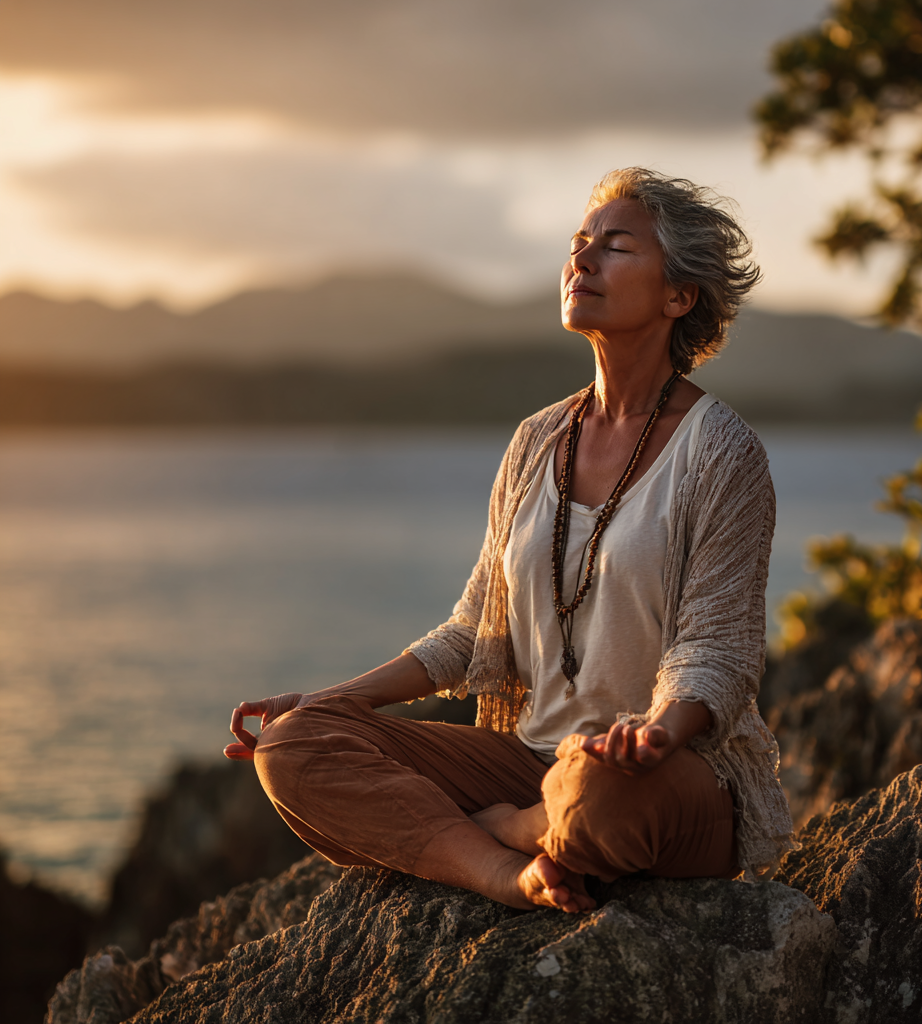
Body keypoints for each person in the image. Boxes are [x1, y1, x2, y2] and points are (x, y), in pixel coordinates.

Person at [225, 167, 796, 914]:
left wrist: (655, 734)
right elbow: (472, 633)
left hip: (664, 776)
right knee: (294, 747)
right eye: (578, 243)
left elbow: (716, 654)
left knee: (598, 794)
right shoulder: (537, 441)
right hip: (528, 758)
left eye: (615, 247)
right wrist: (330, 700)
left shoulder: (723, 453)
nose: (582, 260)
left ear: (678, 296)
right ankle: (505, 872)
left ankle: (512, 829)